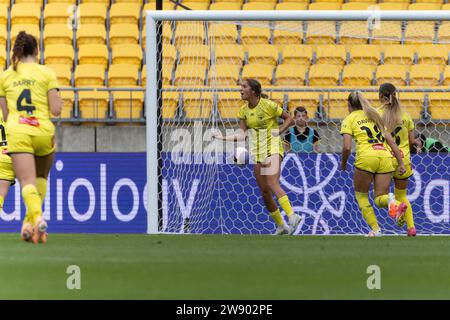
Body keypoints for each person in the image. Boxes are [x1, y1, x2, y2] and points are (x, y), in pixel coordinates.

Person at [213, 78, 302, 235]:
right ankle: (281, 226)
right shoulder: (243, 111)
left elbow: (290, 118)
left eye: (244, 87)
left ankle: (292, 215)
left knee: (272, 182)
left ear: (253, 91)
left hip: (273, 147)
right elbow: (242, 134)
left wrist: (280, 130)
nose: (240, 89)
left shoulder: (269, 105)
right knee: (264, 191)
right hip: (257, 152)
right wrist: (222, 137)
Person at [0, 31, 63, 244]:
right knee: (41, 178)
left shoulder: (6, 76)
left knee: (26, 181)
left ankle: (37, 218)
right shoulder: (47, 73)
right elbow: (56, 110)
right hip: (43, 131)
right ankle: (29, 224)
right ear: (37, 51)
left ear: (16, 51)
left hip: (19, 132)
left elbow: (7, 115)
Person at [340, 91, 407, 237]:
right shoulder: (374, 115)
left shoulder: (349, 119)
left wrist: (343, 164)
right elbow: (390, 141)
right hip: (384, 155)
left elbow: (346, 147)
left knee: (361, 196)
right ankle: (393, 202)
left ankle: (376, 230)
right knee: (379, 198)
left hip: (366, 156)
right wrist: (401, 163)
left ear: (349, 105)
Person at [379, 83, 418, 236]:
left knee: (380, 195)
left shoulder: (378, 113)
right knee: (402, 195)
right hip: (404, 159)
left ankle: (394, 210)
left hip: (386, 159)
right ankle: (411, 228)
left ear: (381, 96)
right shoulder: (406, 115)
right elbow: (411, 140)